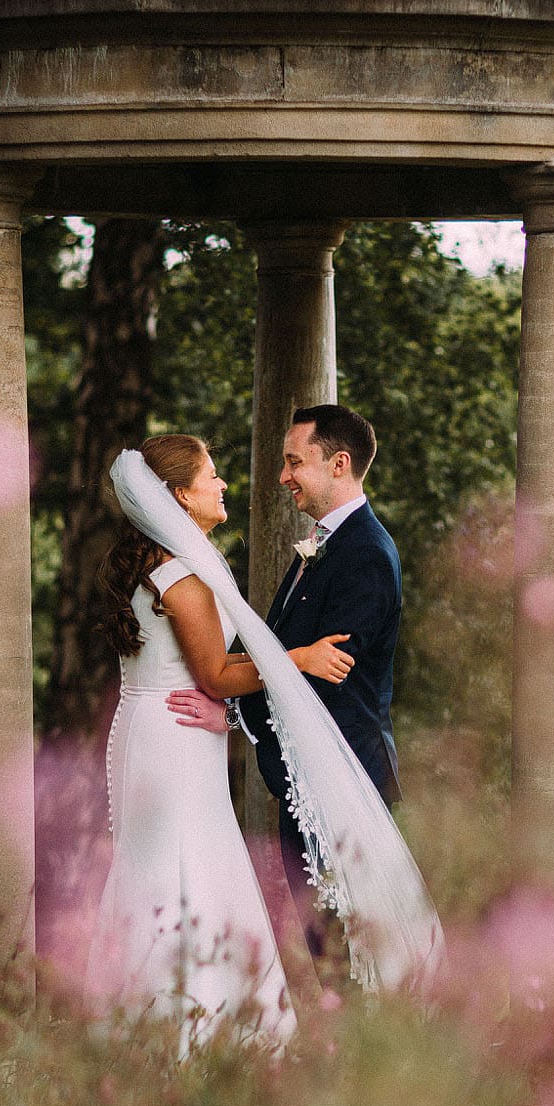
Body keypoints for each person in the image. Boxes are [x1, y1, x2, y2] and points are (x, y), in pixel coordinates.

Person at [92, 433, 439, 1049]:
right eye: (213, 476)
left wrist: (235, 715)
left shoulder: (164, 565)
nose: (226, 484)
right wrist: (296, 659)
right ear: (178, 496)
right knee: (185, 867)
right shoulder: (183, 575)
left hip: (161, 725)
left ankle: (165, 1020)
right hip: (176, 732)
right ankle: (197, 1029)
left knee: (173, 865)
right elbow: (215, 675)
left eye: (291, 461)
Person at [169, 405, 403, 973]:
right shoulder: (326, 545)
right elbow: (294, 660)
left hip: (342, 780)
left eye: (294, 462)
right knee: (327, 947)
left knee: (347, 951)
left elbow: (329, 681)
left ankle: (361, 1058)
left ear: (339, 464)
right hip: (308, 778)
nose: (283, 476)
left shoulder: (365, 553)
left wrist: (232, 717)